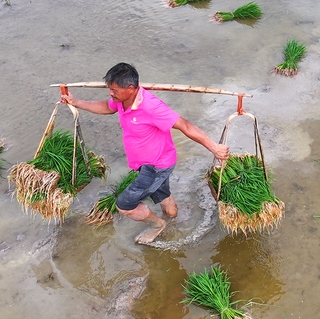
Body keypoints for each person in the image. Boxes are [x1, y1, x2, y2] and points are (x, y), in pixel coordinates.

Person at [61, 63, 230, 244]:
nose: (111, 93)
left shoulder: (152, 107)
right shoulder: (122, 101)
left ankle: (157, 225)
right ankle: (173, 217)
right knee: (163, 196)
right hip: (153, 163)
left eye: (114, 90)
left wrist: (214, 147)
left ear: (131, 88)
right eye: (109, 89)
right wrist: (77, 103)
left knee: (125, 205)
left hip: (155, 166)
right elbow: (107, 107)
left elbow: (185, 125)